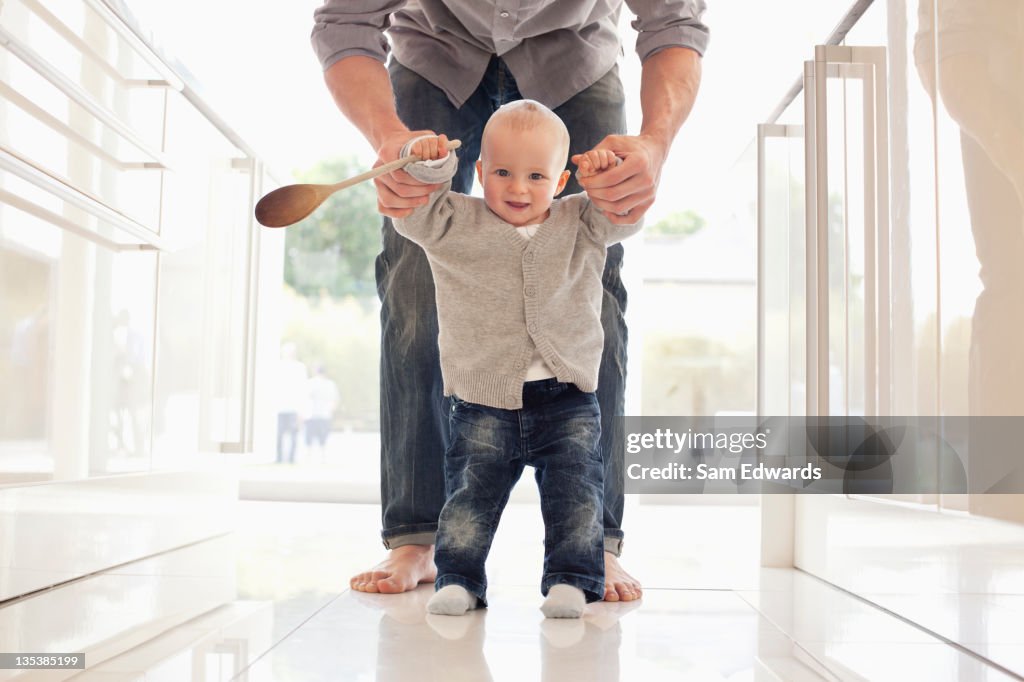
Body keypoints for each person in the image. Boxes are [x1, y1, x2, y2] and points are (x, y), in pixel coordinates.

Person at [310, 0, 708, 601]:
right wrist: (390, 136)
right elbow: (344, 22)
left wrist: (653, 144)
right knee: (413, 280)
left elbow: (675, 22)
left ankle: (595, 543)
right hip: (434, 56)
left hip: (575, 57)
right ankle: (416, 537)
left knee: (591, 289)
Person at [397, 101, 643, 618]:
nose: (518, 187)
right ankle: (458, 579)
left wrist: (605, 178)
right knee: (469, 495)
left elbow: (624, 213)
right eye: (503, 172)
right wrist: (428, 165)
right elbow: (412, 212)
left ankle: (572, 580)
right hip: (483, 398)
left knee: (577, 493)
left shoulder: (582, 220)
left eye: (536, 175)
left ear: (559, 181)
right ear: (481, 171)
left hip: (567, 396)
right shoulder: (453, 222)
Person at [276, 342, 308, 464]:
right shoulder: (278, 366)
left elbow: (302, 390)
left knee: (294, 435)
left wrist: (302, 410)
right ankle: (278, 458)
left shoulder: (300, 368)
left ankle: (291, 459)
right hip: (279, 408)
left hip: (294, 408)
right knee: (278, 435)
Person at [305, 364, 340, 461]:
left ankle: (310, 457)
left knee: (310, 438)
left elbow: (304, 398)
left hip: (313, 414)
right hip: (323, 414)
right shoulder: (330, 384)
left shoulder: (310, 383)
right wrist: (331, 410)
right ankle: (321, 457)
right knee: (322, 437)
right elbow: (335, 400)